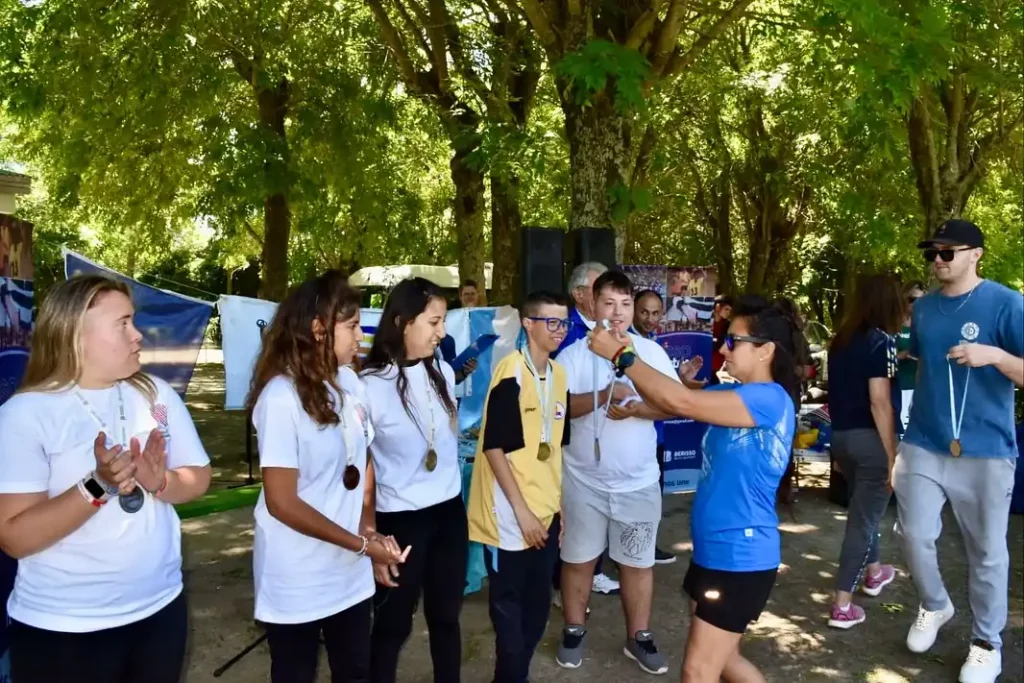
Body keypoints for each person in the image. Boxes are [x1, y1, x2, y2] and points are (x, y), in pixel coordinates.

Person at [0, 275, 212, 683]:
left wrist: (161, 482)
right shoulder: (24, 415)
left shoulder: (155, 395)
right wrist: (97, 485)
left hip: (159, 611)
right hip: (65, 630)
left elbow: (198, 477)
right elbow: (14, 536)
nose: (138, 335)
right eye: (123, 323)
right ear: (74, 333)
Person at [588, 295, 802, 683]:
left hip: (740, 556)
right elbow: (674, 401)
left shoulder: (768, 399)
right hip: (715, 551)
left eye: (734, 341)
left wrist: (622, 355)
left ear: (766, 351)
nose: (723, 348)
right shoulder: (733, 395)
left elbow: (681, 400)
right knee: (726, 662)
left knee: (698, 670)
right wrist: (633, 360)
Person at [247, 272, 405, 683]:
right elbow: (282, 502)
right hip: (298, 574)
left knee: (355, 671)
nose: (361, 338)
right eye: (351, 327)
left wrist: (368, 529)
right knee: (295, 672)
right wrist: (360, 545)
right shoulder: (281, 397)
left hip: (348, 572)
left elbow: (363, 459)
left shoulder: (349, 381)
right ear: (318, 329)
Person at [896, 219, 1024, 683]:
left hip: (987, 449)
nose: (937, 261)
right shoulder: (924, 309)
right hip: (924, 443)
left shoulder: (1007, 303)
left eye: (948, 253)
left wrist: (996, 356)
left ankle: (987, 643)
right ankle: (935, 604)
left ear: (976, 255)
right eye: (932, 252)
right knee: (912, 533)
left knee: (988, 551)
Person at [555, 270, 678, 676]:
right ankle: (574, 630)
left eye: (626, 305)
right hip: (582, 481)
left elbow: (676, 405)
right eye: (609, 303)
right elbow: (556, 414)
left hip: (639, 482)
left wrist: (639, 409)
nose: (619, 313)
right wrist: (605, 396)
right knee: (578, 560)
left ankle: (638, 637)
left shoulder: (652, 354)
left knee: (638, 564)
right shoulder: (574, 355)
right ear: (592, 303)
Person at [361, 277, 467, 683]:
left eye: (443, 322)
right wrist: (369, 532)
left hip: (448, 513)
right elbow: (359, 467)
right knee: (392, 625)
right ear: (403, 321)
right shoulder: (369, 385)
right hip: (401, 519)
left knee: (446, 618)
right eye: (434, 322)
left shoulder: (441, 370)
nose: (442, 333)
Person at [467, 291, 571, 683]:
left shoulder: (559, 376)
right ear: (528, 324)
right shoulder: (510, 372)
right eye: (551, 322)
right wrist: (522, 511)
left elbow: (556, 447)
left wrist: (559, 508)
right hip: (510, 514)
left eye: (564, 323)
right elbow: (494, 447)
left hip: (545, 512)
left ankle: (512, 676)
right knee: (508, 608)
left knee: (537, 607)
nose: (559, 330)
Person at [824, 274, 905, 629]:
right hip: (871, 441)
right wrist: (892, 455)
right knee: (864, 520)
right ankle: (843, 604)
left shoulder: (839, 341)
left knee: (863, 509)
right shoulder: (881, 342)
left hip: (841, 437)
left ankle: (874, 572)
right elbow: (880, 402)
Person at [553, 261, 620, 597]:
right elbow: (559, 401)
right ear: (580, 295)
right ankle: (568, 582)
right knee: (571, 521)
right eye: (600, 291)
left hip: (612, 449)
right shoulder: (565, 332)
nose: (609, 300)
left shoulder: (618, 335)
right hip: (569, 443)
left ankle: (593, 567)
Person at [896, 282, 926, 432]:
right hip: (898, 385)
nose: (916, 304)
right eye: (912, 299)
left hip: (920, 387)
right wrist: (900, 355)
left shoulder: (925, 324)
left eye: (921, 300)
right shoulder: (892, 324)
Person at [709, 296, 733, 385]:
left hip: (718, 366)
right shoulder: (706, 323)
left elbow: (729, 343)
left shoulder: (728, 326)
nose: (728, 313)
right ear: (718, 307)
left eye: (730, 310)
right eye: (726, 309)